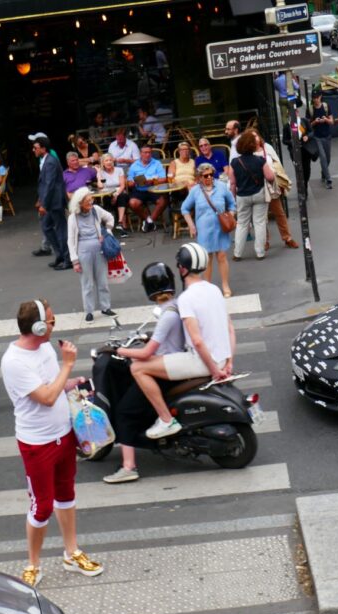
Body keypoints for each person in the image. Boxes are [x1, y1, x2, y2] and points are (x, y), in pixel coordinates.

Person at [0, 299, 104, 587]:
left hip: (63, 433)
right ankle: (33, 563)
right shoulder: (14, 362)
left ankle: (72, 552)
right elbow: (45, 398)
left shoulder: (45, 348)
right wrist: (68, 365)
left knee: (66, 493)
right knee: (42, 506)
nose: (54, 325)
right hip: (37, 442)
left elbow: (53, 386)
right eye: (51, 321)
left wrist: (72, 384)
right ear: (37, 326)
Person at [131, 243, 236, 439]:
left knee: (137, 368)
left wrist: (214, 371)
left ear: (182, 268)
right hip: (222, 360)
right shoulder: (215, 290)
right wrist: (229, 362)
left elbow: (196, 341)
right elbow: (230, 328)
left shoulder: (186, 298)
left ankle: (165, 420)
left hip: (202, 362)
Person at [100, 263, 187, 484]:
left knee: (124, 412)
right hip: (171, 363)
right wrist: (149, 337)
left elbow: (148, 353)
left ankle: (129, 466)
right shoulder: (175, 306)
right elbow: (163, 340)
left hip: (164, 370)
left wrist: (117, 350)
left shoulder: (168, 314)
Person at [182, 162, 237, 296]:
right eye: (205, 175)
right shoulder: (195, 190)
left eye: (211, 174)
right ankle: (208, 287)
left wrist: (230, 216)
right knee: (207, 258)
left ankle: (225, 285)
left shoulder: (222, 187)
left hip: (220, 227)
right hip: (204, 229)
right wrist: (191, 225)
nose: (209, 177)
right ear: (199, 177)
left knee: (222, 256)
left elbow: (232, 204)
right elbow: (184, 208)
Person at [67, 187, 116, 322]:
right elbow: (70, 240)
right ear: (80, 202)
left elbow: (110, 217)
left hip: (99, 250)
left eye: (91, 199)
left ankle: (105, 307)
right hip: (83, 252)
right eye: (87, 201)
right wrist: (75, 261)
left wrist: (107, 231)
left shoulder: (96, 210)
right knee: (87, 283)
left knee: (103, 281)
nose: (90, 203)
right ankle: (89, 311)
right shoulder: (73, 217)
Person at [229, 130, 275, 261]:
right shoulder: (260, 160)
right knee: (259, 223)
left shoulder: (234, 162)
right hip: (259, 193)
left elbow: (232, 183)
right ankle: (260, 252)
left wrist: (233, 199)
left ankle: (237, 253)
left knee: (242, 224)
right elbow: (270, 176)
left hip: (242, 196)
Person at [254, 131, 299, 251]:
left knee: (279, 213)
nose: (254, 139)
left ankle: (287, 238)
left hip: (271, 185)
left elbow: (277, 163)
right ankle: (264, 241)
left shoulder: (267, 147)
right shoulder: (248, 151)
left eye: (256, 136)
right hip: (258, 187)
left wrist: (280, 180)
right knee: (261, 217)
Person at [32, 134, 71, 270]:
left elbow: (49, 184)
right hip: (51, 201)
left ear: (43, 148)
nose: (34, 150)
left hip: (54, 202)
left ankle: (68, 259)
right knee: (47, 226)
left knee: (60, 230)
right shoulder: (46, 160)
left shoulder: (50, 162)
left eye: (36, 148)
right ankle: (60, 254)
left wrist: (44, 204)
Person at [127, 144, 169, 232]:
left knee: (163, 201)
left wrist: (153, 181)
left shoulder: (156, 163)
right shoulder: (134, 166)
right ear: (141, 154)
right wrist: (136, 181)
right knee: (133, 203)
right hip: (139, 190)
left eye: (149, 152)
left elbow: (163, 179)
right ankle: (148, 219)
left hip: (154, 189)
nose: (147, 154)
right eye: (145, 152)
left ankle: (149, 221)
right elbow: (129, 183)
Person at [308, 89, 334, 189]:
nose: (316, 100)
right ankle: (328, 180)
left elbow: (332, 122)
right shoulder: (310, 109)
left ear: (320, 97)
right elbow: (308, 125)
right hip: (317, 137)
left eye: (317, 97)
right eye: (314, 98)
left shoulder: (326, 106)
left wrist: (326, 120)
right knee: (323, 158)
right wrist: (315, 122)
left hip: (327, 136)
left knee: (328, 159)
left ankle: (323, 172)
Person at [97, 153, 129, 230]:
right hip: (107, 194)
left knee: (122, 197)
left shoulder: (119, 170)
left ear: (113, 161)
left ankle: (120, 222)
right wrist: (98, 173)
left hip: (119, 192)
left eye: (110, 160)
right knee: (107, 200)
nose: (109, 162)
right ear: (103, 163)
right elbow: (100, 186)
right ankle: (118, 224)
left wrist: (116, 194)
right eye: (106, 160)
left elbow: (122, 185)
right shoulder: (101, 172)